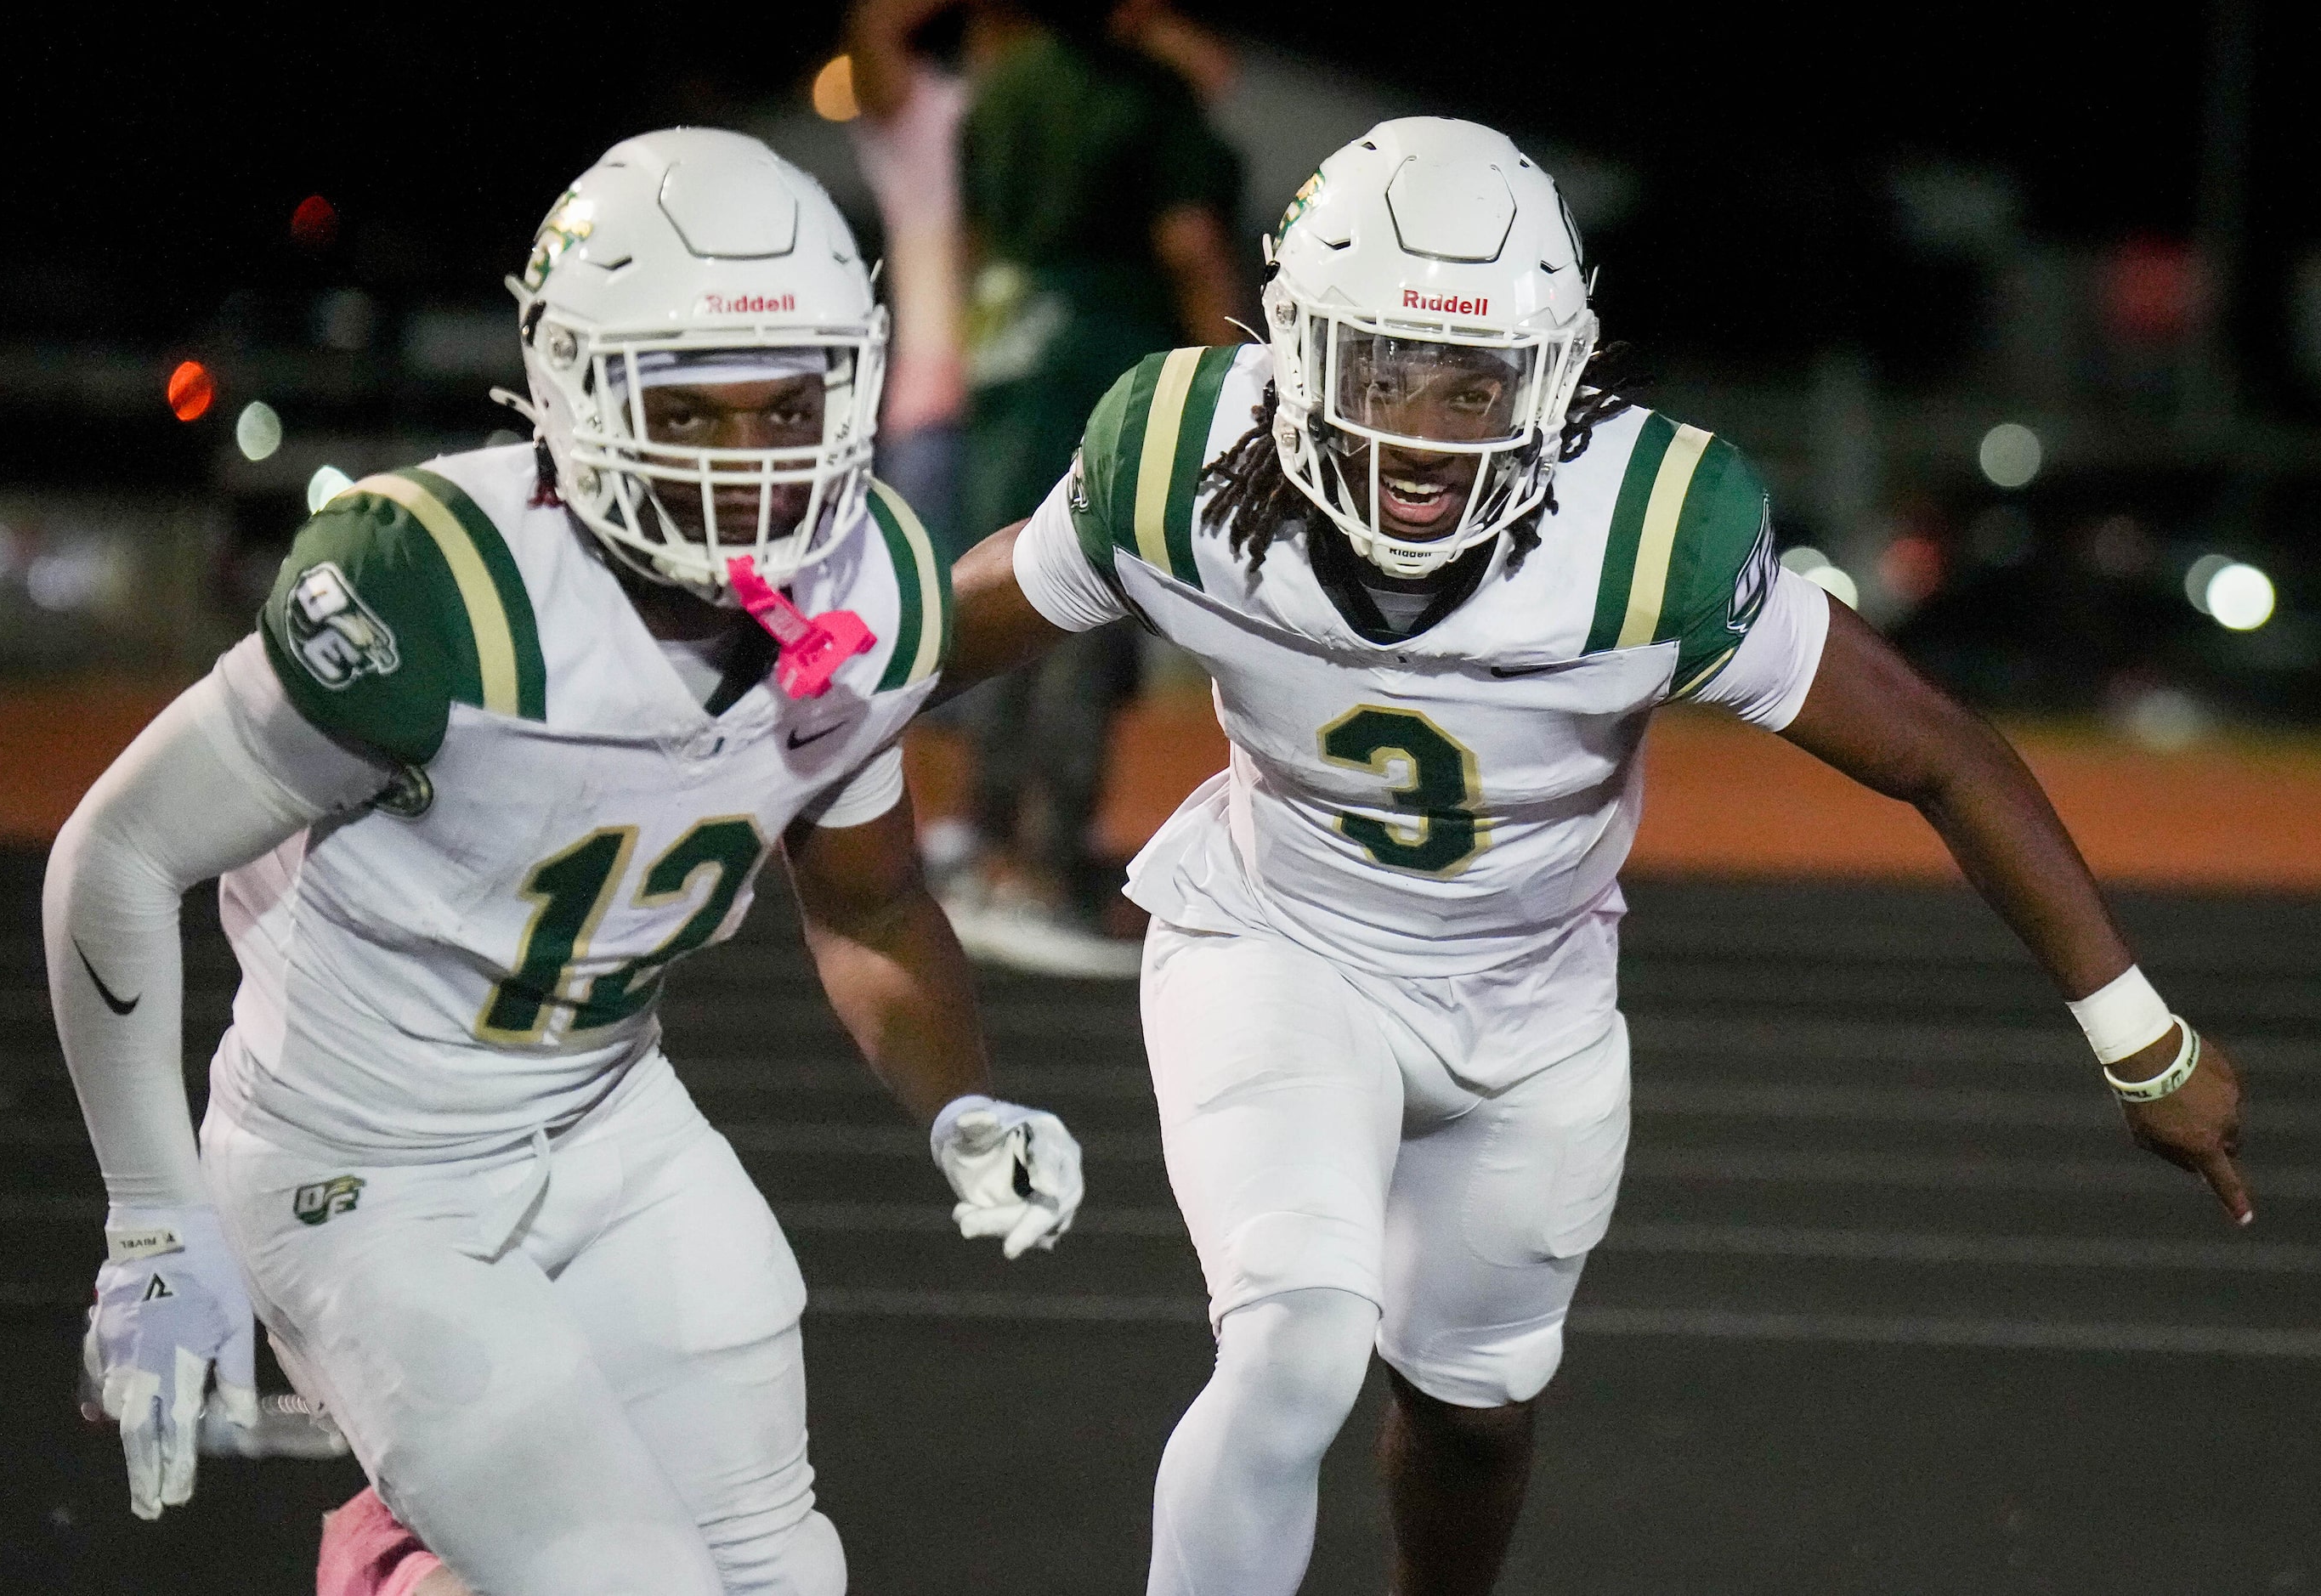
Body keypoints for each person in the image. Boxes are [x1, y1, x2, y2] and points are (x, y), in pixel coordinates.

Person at [939, 118, 2252, 1595]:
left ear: (1552, 381)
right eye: (1381, 366)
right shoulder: (1180, 460)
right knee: (1294, 1343)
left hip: (1533, 1010)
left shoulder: (1641, 532)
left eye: (1471, 379)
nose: (1423, 427)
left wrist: (2136, 1037)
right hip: (1278, 945)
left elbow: (1937, 750)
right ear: (1297, 350)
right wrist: (748, 731)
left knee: (1474, 1412)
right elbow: (933, 634)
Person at [47, 128, 1084, 1596]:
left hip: (607, 1118)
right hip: (362, 1168)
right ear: (575, 389)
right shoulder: (438, 588)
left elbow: (867, 895)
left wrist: (961, 1096)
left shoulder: (879, 592)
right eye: (692, 407)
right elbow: (119, 848)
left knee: (786, 1577)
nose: (750, 466)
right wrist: (152, 1216)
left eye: (785, 403)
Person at [849, 0, 1244, 978]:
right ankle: (1045, 866)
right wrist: (1240, 374)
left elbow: (978, 228)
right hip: (1107, 354)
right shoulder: (1147, 98)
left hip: (1009, 350)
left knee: (1008, 591)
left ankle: (981, 839)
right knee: (1091, 609)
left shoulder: (1003, 92)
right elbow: (1189, 240)